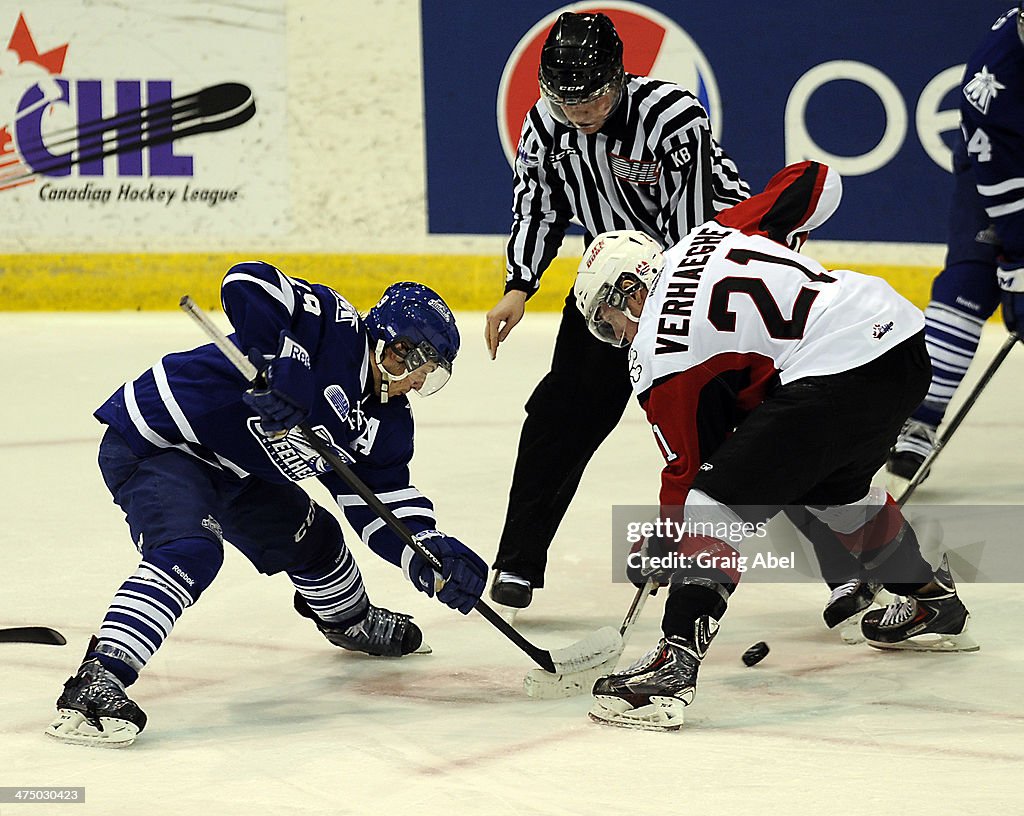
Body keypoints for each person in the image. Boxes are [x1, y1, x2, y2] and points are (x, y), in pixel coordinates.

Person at [571, 162, 977, 732]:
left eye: (608, 319)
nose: (615, 336)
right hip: (899, 339)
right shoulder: (713, 233)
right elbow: (813, 180)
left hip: (836, 369)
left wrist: (667, 537)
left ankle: (672, 663)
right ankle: (932, 602)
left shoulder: (657, 354)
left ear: (630, 289)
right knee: (839, 496)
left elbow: (690, 472)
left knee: (715, 505)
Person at [45, 262, 488, 747]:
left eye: (428, 378)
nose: (416, 385)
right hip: (162, 441)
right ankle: (98, 680)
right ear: (393, 346)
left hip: (237, 471)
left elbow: (380, 502)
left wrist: (428, 552)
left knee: (317, 540)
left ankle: (350, 622)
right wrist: (287, 359)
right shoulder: (333, 325)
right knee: (190, 551)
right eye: (415, 369)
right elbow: (246, 280)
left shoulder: (387, 423)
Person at [484, 11, 749, 610]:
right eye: (564, 98)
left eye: (594, 95)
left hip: (706, 277)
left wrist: (675, 317)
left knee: (747, 421)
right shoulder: (545, 128)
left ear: (620, 76)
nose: (579, 110)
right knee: (561, 412)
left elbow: (698, 224)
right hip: (614, 281)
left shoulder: (673, 119)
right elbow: (538, 207)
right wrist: (518, 286)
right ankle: (519, 560)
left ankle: (848, 566)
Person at [887, 4, 1024, 480]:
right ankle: (918, 418)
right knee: (972, 276)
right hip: (1004, 172)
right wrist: (1019, 263)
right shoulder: (993, 81)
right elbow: (1003, 185)